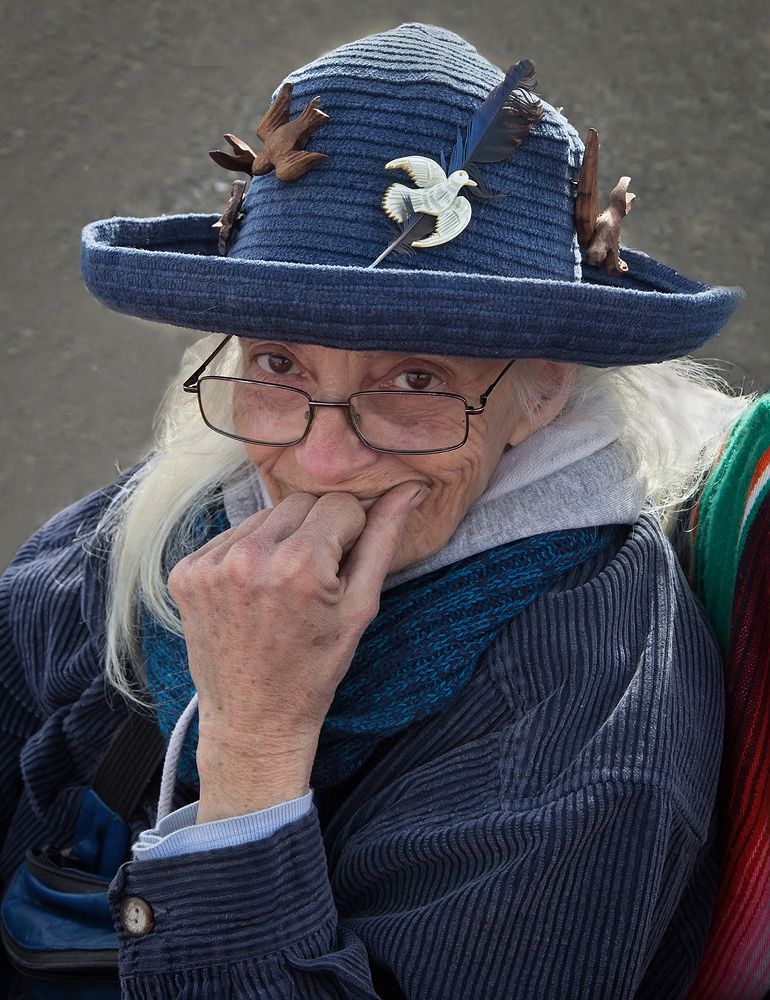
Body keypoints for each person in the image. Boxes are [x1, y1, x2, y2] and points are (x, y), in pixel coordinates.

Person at [0, 21, 752, 1000]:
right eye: (278, 362)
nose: (317, 460)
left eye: (413, 376)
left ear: (541, 389)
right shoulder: (185, 503)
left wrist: (254, 745)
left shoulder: (586, 742)